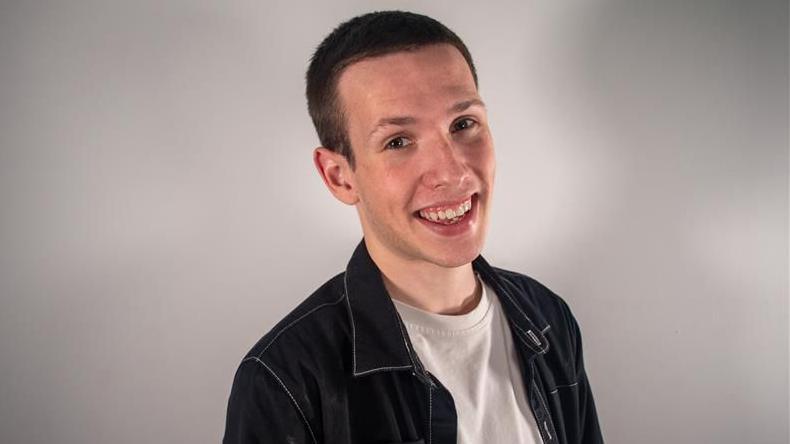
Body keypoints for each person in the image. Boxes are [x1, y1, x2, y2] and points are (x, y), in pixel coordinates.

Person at [223, 10, 603, 444]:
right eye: (398, 142)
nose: (452, 172)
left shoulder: (549, 318)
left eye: (463, 124)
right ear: (339, 176)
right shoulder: (286, 380)